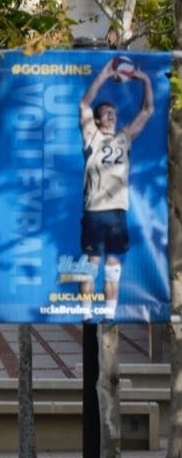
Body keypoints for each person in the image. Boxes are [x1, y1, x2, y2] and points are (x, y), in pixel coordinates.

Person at [78, 58, 154, 319]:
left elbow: (147, 110)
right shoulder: (92, 136)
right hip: (96, 210)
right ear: (98, 120)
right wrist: (103, 75)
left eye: (114, 112)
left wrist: (144, 79)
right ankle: (87, 315)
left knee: (113, 266)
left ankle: (109, 316)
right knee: (92, 264)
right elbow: (84, 104)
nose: (112, 114)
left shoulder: (124, 137)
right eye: (107, 113)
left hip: (118, 211)